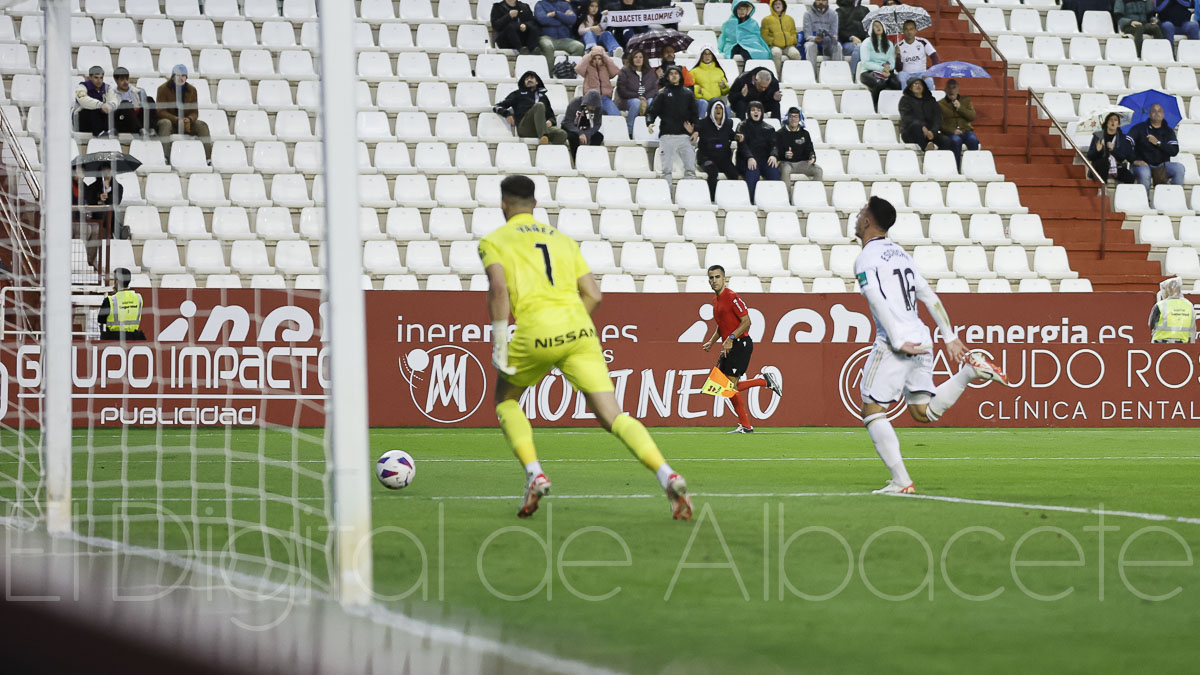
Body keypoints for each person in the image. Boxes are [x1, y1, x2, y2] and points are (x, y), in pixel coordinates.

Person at [479, 175, 694, 520]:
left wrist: (500, 341)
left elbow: (499, 290)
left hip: (534, 332)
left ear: (503, 204)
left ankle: (535, 473)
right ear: (535, 204)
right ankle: (666, 474)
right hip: (580, 332)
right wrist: (569, 326)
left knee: (505, 401)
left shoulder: (494, 241)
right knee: (614, 416)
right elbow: (594, 294)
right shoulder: (562, 240)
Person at [852, 196, 1011, 494]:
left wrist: (897, 339)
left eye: (861, 212)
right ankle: (968, 372)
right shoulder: (901, 255)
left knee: (872, 409)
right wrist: (949, 337)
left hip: (896, 341)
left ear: (867, 221)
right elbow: (929, 296)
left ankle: (902, 481)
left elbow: (874, 297)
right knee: (922, 412)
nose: (858, 215)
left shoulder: (865, 258)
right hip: (923, 338)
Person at [700, 265, 783, 434]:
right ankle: (748, 421)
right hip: (728, 346)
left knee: (729, 387)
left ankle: (747, 423)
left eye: (717, 277)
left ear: (724, 279)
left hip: (740, 344)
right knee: (723, 386)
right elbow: (721, 325)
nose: (714, 281)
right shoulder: (715, 301)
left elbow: (746, 321)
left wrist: (731, 338)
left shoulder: (732, 297)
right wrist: (711, 341)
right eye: (711, 278)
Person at [647, 65, 698, 187]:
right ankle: (667, 198)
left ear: (680, 76)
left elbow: (695, 114)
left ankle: (689, 197)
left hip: (685, 137)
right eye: (671, 73)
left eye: (676, 73)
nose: (674, 75)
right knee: (666, 171)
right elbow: (652, 111)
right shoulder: (662, 93)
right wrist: (650, 122)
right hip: (667, 135)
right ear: (667, 76)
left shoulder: (688, 93)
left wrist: (695, 131)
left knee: (691, 169)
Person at [494, 70, 569, 145]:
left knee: (562, 134)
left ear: (537, 82)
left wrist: (550, 121)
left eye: (531, 78)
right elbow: (497, 106)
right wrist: (506, 114)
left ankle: (548, 152)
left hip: (541, 127)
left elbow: (551, 116)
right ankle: (544, 137)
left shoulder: (543, 97)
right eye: (526, 79)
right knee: (539, 106)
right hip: (525, 128)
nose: (529, 80)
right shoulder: (517, 94)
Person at [155, 65, 212, 163]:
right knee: (165, 123)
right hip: (171, 122)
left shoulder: (192, 90)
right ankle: (166, 157)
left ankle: (208, 158)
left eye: (183, 76)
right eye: (178, 75)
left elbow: (195, 112)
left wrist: (189, 119)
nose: (181, 78)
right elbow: (160, 111)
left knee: (202, 125)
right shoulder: (163, 89)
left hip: (186, 123)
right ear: (173, 77)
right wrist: (175, 119)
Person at [1128, 103, 1184, 195]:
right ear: (1149, 114)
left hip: (1161, 165)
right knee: (1144, 173)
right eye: (1154, 111)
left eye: (1159, 111)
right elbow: (1127, 145)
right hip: (1143, 164)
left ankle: (1176, 198)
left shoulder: (1168, 131)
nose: (1157, 113)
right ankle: (1144, 202)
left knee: (1179, 168)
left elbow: (1174, 151)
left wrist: (1158, 143)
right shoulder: (1138, 128)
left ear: (1163, 114)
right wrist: (1134, 161)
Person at [736, 101, 780, 202]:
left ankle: (775, 200)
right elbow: (742, 145)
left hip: (764, 159)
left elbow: (774, 145)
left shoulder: (769, 128)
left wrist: (773, 155)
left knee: (774, 173)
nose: (756, 112)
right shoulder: (742, 126)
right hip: (746, 159)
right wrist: (749, 157)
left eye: (758, 110)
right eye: (753, 110)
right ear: (749, 112)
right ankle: (751, 201)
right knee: (752, 173)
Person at [697, 99, 740, 200]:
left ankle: (731, 198)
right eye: (716, 108)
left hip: (723, 159)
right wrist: (693, 132)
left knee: (734, 173)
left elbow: (730, 134)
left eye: (720, 108)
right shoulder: (703, 123)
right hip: (706, 158)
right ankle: (712, 199)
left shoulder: (728, 123)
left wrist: (736, 136)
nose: (718, 110)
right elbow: (695, 131)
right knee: (713, 172)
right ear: (711, 110)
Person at [898, 77, 952, 152]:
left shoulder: (931, 100)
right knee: (916, 125)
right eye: (915, 84)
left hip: (929, 132)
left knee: (946, 140)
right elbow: (907, 118)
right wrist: (922, 126)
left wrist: (933, 131)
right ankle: (926, 148)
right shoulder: (905, 100)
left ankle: (940, 160)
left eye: (920, 84)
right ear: (910, 88)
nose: (918, 86)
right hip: (910, 132)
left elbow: (937, 117)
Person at [857, 20, 900, 109]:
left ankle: (894, 107)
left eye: (880, 25)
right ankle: (874, 107)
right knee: (880, 83)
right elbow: (865, 62)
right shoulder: (866, 43)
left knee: (896, 83)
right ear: (871, 29)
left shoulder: (889, 44)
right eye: (875, 26)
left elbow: (891, 62)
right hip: (868, 72)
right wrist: (881, 69)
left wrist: (888, 68)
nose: (878, 27)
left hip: (886, 71)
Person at [615, 49, 658, 135]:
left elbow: (654, 89)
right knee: (636, 102)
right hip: (627, 100)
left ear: (644, 59)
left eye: (640, 57)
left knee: (651, 102)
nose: (638, 59)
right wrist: (637, 96)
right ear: (632, 59)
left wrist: (645, 97)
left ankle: (647, 129)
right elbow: (621, 90)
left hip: (646, 99)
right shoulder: (625, 71)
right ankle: (630, 130)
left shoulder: (650, 72)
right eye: (635, 57)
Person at [938, 79, 979, 168]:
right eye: (949, 88)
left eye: (954, 88)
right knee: (956, 140)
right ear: (945, 89)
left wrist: (960, 107)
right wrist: (952, 130)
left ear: (958, 89)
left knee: (973, 140)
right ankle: (956, 168)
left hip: (966, 130)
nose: (951, 90)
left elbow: (972, 116)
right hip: (951, 132)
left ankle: (972, 167)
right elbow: (939, 124)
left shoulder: (966, 100)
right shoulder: (940, 104)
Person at [1086, 112, 1136, 185]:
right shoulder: (1098, 136)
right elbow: (1090, 156)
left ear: (1118, 124)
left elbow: (1122, 157)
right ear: (1107, 123)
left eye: (1115, 120)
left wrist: (1113, 149)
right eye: (1110, 119)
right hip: (1100, 165)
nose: (1113, 121)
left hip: (1116, 165)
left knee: (1130, 178)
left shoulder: (1123, 138)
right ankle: (1103, 189)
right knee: (1104, 162)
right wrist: (1097, 150)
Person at [97, 268, 146, 341]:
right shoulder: (139, 298)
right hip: (133, 338)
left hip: (114, 339)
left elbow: (101, 319)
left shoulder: (110, 300)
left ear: (117, 281)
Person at [536, 0, 585, 72]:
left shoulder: (565, 4)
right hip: (547, 37)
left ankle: (567, 72)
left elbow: (572, 19)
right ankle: (551, 74)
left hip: (564, 39)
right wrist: (564, 20)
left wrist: (556, 14)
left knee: (579, 47)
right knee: (547, 46)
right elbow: (542, 20)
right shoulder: (540, 4)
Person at [777, 106, 822, 183]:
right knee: (785, 170)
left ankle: (814, 192)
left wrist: (812, 156)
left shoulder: (805, 133)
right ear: (788, 118)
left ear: (799, 119)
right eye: (791, 116)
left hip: (802, 163)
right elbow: (777, 152)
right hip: (786, 163)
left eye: (796, 117)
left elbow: (810, 149)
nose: (793, 119)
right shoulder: (780, 133)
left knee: (818, 170)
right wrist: (784, 155)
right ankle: (787, 194)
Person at [574, 46, 622, 115]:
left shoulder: (606, 66)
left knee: (615, 114)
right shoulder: (587, 66)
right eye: (594, 58)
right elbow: (578, 69)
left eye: (599, 58)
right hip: (591, 99)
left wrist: (605, 56)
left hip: (605, 98)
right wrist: (590, 55)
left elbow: (615, 71)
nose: (597, 60)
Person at [1149, 276, 1196, 343]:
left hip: (1161, 344)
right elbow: (1192, 327)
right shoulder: (1189, 305)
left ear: (1167, 290)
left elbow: (1151, 325)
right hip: (1184, 345)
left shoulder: (1160, 305)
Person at [73, 65, 118, 136]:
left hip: (100, 119)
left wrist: (110, 105)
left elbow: (113, 99)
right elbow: (83, 100)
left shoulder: (107, 88)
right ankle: (100, 133)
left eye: (101, 78)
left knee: (119, 108)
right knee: (92, 110)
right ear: (90, 77)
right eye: (96, 78)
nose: (99, 81)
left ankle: (110, 130)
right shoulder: (82, 87)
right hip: (84, 121)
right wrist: (101, 105)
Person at [896, 19, 938, 91]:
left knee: (929, 81)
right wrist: (898, 56)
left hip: (921, 73)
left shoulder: (923, 42)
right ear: (903, 31)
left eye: (911, 29)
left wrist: (930, 72)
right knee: (901, 76)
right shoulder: (898, 45)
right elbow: (898, 69)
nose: (909, 32)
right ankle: (906, 100)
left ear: (915, 30)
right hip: (906, 74)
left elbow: (935, 58)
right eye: (906, 29)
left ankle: (931, 101)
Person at [562, 89, 606, 158]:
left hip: (587, 129)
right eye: (592, 106)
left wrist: (588, 133)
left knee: (599, 137)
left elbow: (597, 124)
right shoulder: (574, 103)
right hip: (572, 128)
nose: (594, 108)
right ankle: (576, 159)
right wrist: (580, 133)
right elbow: (567, 122)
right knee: (573, 137)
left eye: (595, 107)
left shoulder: (598, 107)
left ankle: (590, 158)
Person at [111, 66, 154, 135]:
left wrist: (138, 107)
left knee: (149, 99)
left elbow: (145, 109)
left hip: (138, 118)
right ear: (116, 81)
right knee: (125, 103)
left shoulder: (139, 91)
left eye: (127, 79)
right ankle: (140, 130)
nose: (125, 82)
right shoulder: (112, 94)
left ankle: (151, 129)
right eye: (122, 80)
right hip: (123, 120)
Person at [691, 48, 730, 119]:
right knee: (703, 103)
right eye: (705, 54)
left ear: (713, 56)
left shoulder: (719, 71)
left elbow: (725, 92)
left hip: (716, 101)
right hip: (701, 100)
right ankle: (700, 126)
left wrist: (724, 87)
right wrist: (697, 90)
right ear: (701, 56)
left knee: (727, 107)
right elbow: (689, 87)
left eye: (709, 54)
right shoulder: (694, 71)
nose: (707, 56)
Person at [761, 0, 800, 71]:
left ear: (783, 5)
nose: (777, 5)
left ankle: (792, 75)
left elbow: (793, 32)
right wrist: (773, 41)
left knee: (796, 54)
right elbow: (764, 36)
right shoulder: (766, 20)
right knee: (776, 53)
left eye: (779, 4)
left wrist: (792, 40)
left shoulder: (790, 19)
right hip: (774, 46)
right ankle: (776, 76)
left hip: (788, 46)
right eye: (775, 4)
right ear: (772, 6)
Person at [803, 0, 844, 64]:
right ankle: (812, 73)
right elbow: (807, 35)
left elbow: (834, 33)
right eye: (818, 0)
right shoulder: (808, 14)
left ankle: (836, 72)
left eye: (823, 0)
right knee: (810, 46)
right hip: (814, 41)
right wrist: (815, 38)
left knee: (837, 46)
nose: (821, 2)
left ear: (827, 1)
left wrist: (832, 38)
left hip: (828, 41)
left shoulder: (833, 14)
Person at [837, 0, 870, 76]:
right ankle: (853, 75)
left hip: (864, 42)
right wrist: (851, 37)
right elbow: (839, 31)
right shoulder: (840, 11)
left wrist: (867, 39)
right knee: (859, 47)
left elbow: (870, 28)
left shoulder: (865, 10)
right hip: (847, 43)